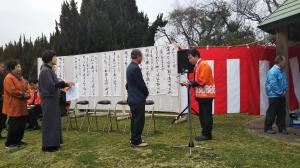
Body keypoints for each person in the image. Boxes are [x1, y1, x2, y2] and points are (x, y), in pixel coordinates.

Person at [39, 50, 74, 152]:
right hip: (49, 101)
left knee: (54, 122)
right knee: (49, 122)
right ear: (50, 58)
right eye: (54, 57)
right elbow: (51, 86)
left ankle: (54, 143)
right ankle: (48, 146)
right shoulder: (45, 71)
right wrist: (64, 83)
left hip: (52, 101)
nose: (56, 58)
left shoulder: (49, 70)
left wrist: (66, 84)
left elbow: (55, 84)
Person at [187, 49, 215, 141]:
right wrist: (189, 83)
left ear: (196, 56)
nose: (189, 60)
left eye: (190, 58)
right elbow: (198, 81)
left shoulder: (204, 65)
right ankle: (204, 133)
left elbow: (201, 81)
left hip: (206, 95)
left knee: (206, 115)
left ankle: (207, 135)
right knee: (202, 115)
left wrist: (191, 83)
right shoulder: (197, 65)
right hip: (201, 95)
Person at [3, 60, 30, 148]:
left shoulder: (20, 78)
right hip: (13, 106)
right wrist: (23, 94)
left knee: (21, 124)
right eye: (17, 67)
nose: (20, 69)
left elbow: (27, 87)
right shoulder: (8, 78)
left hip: (22, 106)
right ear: (12, 69)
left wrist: (23, 82)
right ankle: (10, 143)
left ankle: (18, 140)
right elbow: (12, 91)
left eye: (20, 67)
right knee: (14, 125)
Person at [126, 49, 149, 147]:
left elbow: (127, 85)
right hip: (137, 98)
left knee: (134, 120)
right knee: (139, 120)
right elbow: (141, 83)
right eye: (141, 56)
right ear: (138, 56)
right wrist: (146, 92)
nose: (142, 58)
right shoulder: (135, 68)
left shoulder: (129, 67)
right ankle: (136, 141)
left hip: (132, 97)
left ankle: (134, 138)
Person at [264, 56, 288, 134]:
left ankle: (281, 128)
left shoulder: (281, 71)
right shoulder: (272, 71)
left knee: (282, 112)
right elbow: (273, 84)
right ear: (280, 61)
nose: (285, 63)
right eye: (284, 61)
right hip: (274, 95)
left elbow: (285, 82)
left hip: (281, 95)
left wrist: (285, 89)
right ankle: (268, 128)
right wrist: (281, 92)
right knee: (272, 112)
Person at [0, 62, 7, 139]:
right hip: (1, 98)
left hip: (3, 99)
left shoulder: (2, 76)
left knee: (3, 116)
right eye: (1, 67)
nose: (3, 68)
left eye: (3, 67)